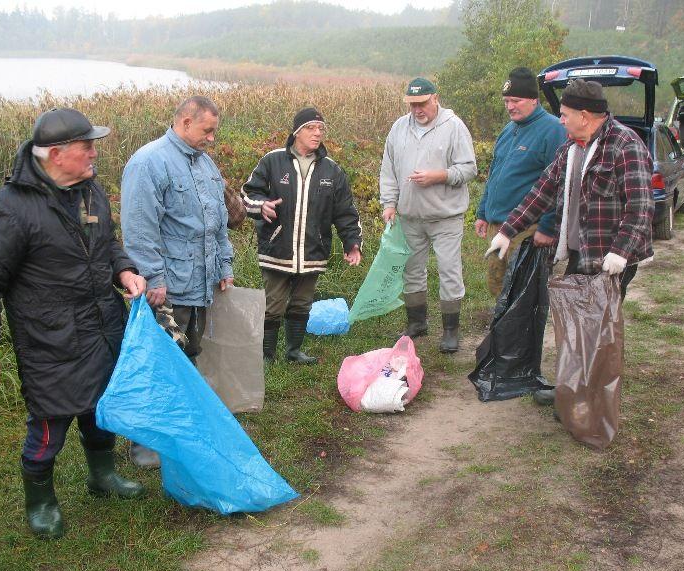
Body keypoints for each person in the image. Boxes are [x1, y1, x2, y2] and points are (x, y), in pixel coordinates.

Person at [0, 108, 147, 540]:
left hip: (103, 327)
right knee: (51, 425)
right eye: (87, 146)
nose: (94, 153)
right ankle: (41, 502)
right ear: (57, 154)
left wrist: (124, 271)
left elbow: (108, 244)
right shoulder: (11, 209)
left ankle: (102, 477)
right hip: (50, 341)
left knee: (100, 411)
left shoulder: (90, 191)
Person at [485, 79, 654, 405]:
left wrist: (620, 251)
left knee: (597, 327)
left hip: (613, 259)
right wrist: (507, 231)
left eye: (564, 114)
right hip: (581, 252)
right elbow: (541, 192)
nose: (559, 120)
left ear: (585, 115)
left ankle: (590, 399)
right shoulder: (571, 147)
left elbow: (641, 207)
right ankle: (575, 391)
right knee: (579, 323)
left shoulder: (625, 145)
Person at [121, 95, 234, 468]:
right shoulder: (148, 162)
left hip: (201, 282)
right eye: (208, 130)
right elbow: (139, 229)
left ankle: (181, 426)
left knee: (189, 356)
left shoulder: (205, 164)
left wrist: (225, 266)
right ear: (186, 122)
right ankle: (144, 443)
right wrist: (152, 278)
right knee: (159, 361)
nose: (212, 139)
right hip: (166, 286)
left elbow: (217, 221)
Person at [242, 107, 362, 364]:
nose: (317, 133)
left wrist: (352, 243)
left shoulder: (332, 170)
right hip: (277, 249)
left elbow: (345, 212)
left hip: (312, 252)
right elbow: (248, 194)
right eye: (311, 128)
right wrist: (260, 206)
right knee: (273, 304)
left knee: (301, 304)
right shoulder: (272, 161)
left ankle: (294, 352)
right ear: (297, 132)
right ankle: (266, 355)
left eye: (321, 129)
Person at [380, 77, 477, 353]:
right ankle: (417, 323)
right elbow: (389, 170)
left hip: (445, 217)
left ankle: (450, 330)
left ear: (435, 98)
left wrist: (439, 176)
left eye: (422, 103)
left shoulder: (454, 126)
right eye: (412, 105)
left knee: (448, 270)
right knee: (412, 269)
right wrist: (389, 203)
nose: (417, 110)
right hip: (409, 216)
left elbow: (469, 168)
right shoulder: (399, 128)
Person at [475, 67, 566, 297]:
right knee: (499, 289)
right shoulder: (509, 129)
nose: (509, 106)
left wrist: (547, 227)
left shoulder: (552, 129)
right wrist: (483, 211)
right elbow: (495, 172)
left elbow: (559, 184)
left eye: (515, 100)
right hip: (500, 227)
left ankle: (522, 332)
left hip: (527, 230)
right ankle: (502, 331)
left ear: (534, 100)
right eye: (506, 101)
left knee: (522, 293)